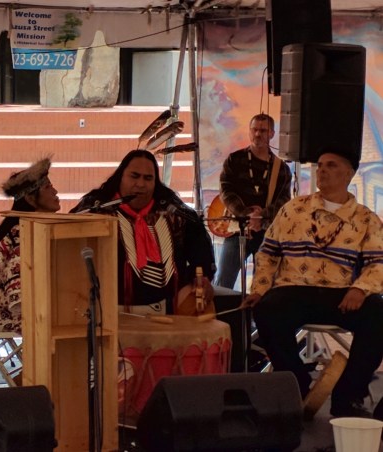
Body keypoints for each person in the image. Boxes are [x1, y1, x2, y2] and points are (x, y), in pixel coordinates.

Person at [243, 151, 383, 418]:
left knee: (378, 314)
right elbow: (268, 253)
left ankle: (348, 396)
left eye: (331, 165)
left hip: (340, 293)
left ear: (349, 173)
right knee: (267, 309)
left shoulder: (366, 219)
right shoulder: (293, 209)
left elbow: (378, 263)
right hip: (294, 289)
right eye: (320, 166)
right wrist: (259, 290)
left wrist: (360, 289)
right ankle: (298, 386)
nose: (322, 170)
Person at [72, 149, 216, 314]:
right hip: (107, 311)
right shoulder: (96, 209)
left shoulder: (174, 213)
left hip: (167, 311)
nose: (141, 184)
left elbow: (202, 256)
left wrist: (200, 278)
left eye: (148, 178)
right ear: (120, 177)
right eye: (134, 176)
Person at [0, 157, 60, 334]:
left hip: (3, 307)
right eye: (47, 187)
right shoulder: (21, 234)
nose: (55, 191)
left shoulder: (27, 228)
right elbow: (18, 298)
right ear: (30, 198)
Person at [214, 113, 292, 289]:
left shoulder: (281, 169)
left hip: (266, 233)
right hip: (237, 229)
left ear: (272, 134)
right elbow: (225, 191)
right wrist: (246, 214)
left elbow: (283, 202)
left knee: (263, 286)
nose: (258, 134)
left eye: (263, 131)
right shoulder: (234, 160)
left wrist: (261, 217)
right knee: (224, 282)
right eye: (254, 129)